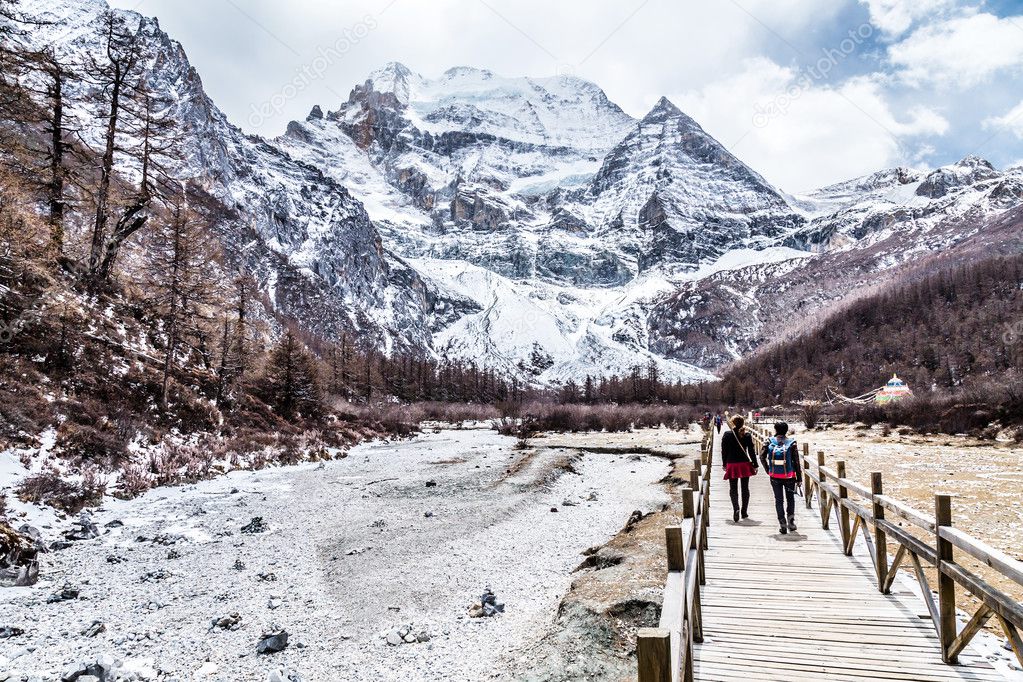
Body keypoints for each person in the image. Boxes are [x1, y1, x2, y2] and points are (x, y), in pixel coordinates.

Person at [760, 421, 802, 535]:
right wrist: (799, 478)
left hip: (775, 476)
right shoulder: (792, 443)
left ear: (775, 429)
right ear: (786, 430)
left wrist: (768, 470)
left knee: (779, 500)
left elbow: (761, 456)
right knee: (790, 499)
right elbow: (796, 462)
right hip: (789, 477)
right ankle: (791, 523)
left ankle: (782, 524)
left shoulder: (769, 441)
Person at [721, 415, 757, 523]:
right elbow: (751, 451)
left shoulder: (727, 435)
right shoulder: (746, 435)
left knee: (733, 488)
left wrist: (724, 464)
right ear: (742, 423)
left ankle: (735, 508)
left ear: (732, 423)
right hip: (744, 464)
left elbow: (724, 451)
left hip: (732, 464)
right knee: (745, 488)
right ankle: (744, 511)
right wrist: (755, 464)